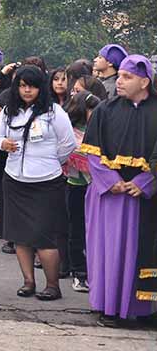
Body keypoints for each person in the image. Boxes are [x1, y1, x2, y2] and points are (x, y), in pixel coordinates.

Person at [0, 65, 76, 302]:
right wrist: (2, 143)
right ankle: (28, 282)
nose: (27, 90)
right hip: (14, 179)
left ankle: (52, 285)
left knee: (44, 236)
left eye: (32, 86)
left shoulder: (54, 112)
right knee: (20, 234)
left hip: (46, 182)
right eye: (23, 86)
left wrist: (49, 161)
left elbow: (68, 144)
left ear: (41, 88)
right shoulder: (9, 111)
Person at [81, 54, 157, 327]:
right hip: (110, 196)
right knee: (110, 252)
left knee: (142, 251)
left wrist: (145, 183)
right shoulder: (105, 110)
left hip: (144, 198)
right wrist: (109, 180)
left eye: (127, 77)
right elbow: (92, 153)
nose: (120, 81)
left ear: (144, 82)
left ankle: (143, 310)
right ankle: (109, 307)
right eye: (120, 75)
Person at [62, 90, 104, 293]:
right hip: (76, 185)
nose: (96, 113)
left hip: (98, 186)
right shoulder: (70, 130)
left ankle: (96, 272)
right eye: (92, 110)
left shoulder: (102, 128)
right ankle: (79, 273)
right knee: (76, 230)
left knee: (95, 231)